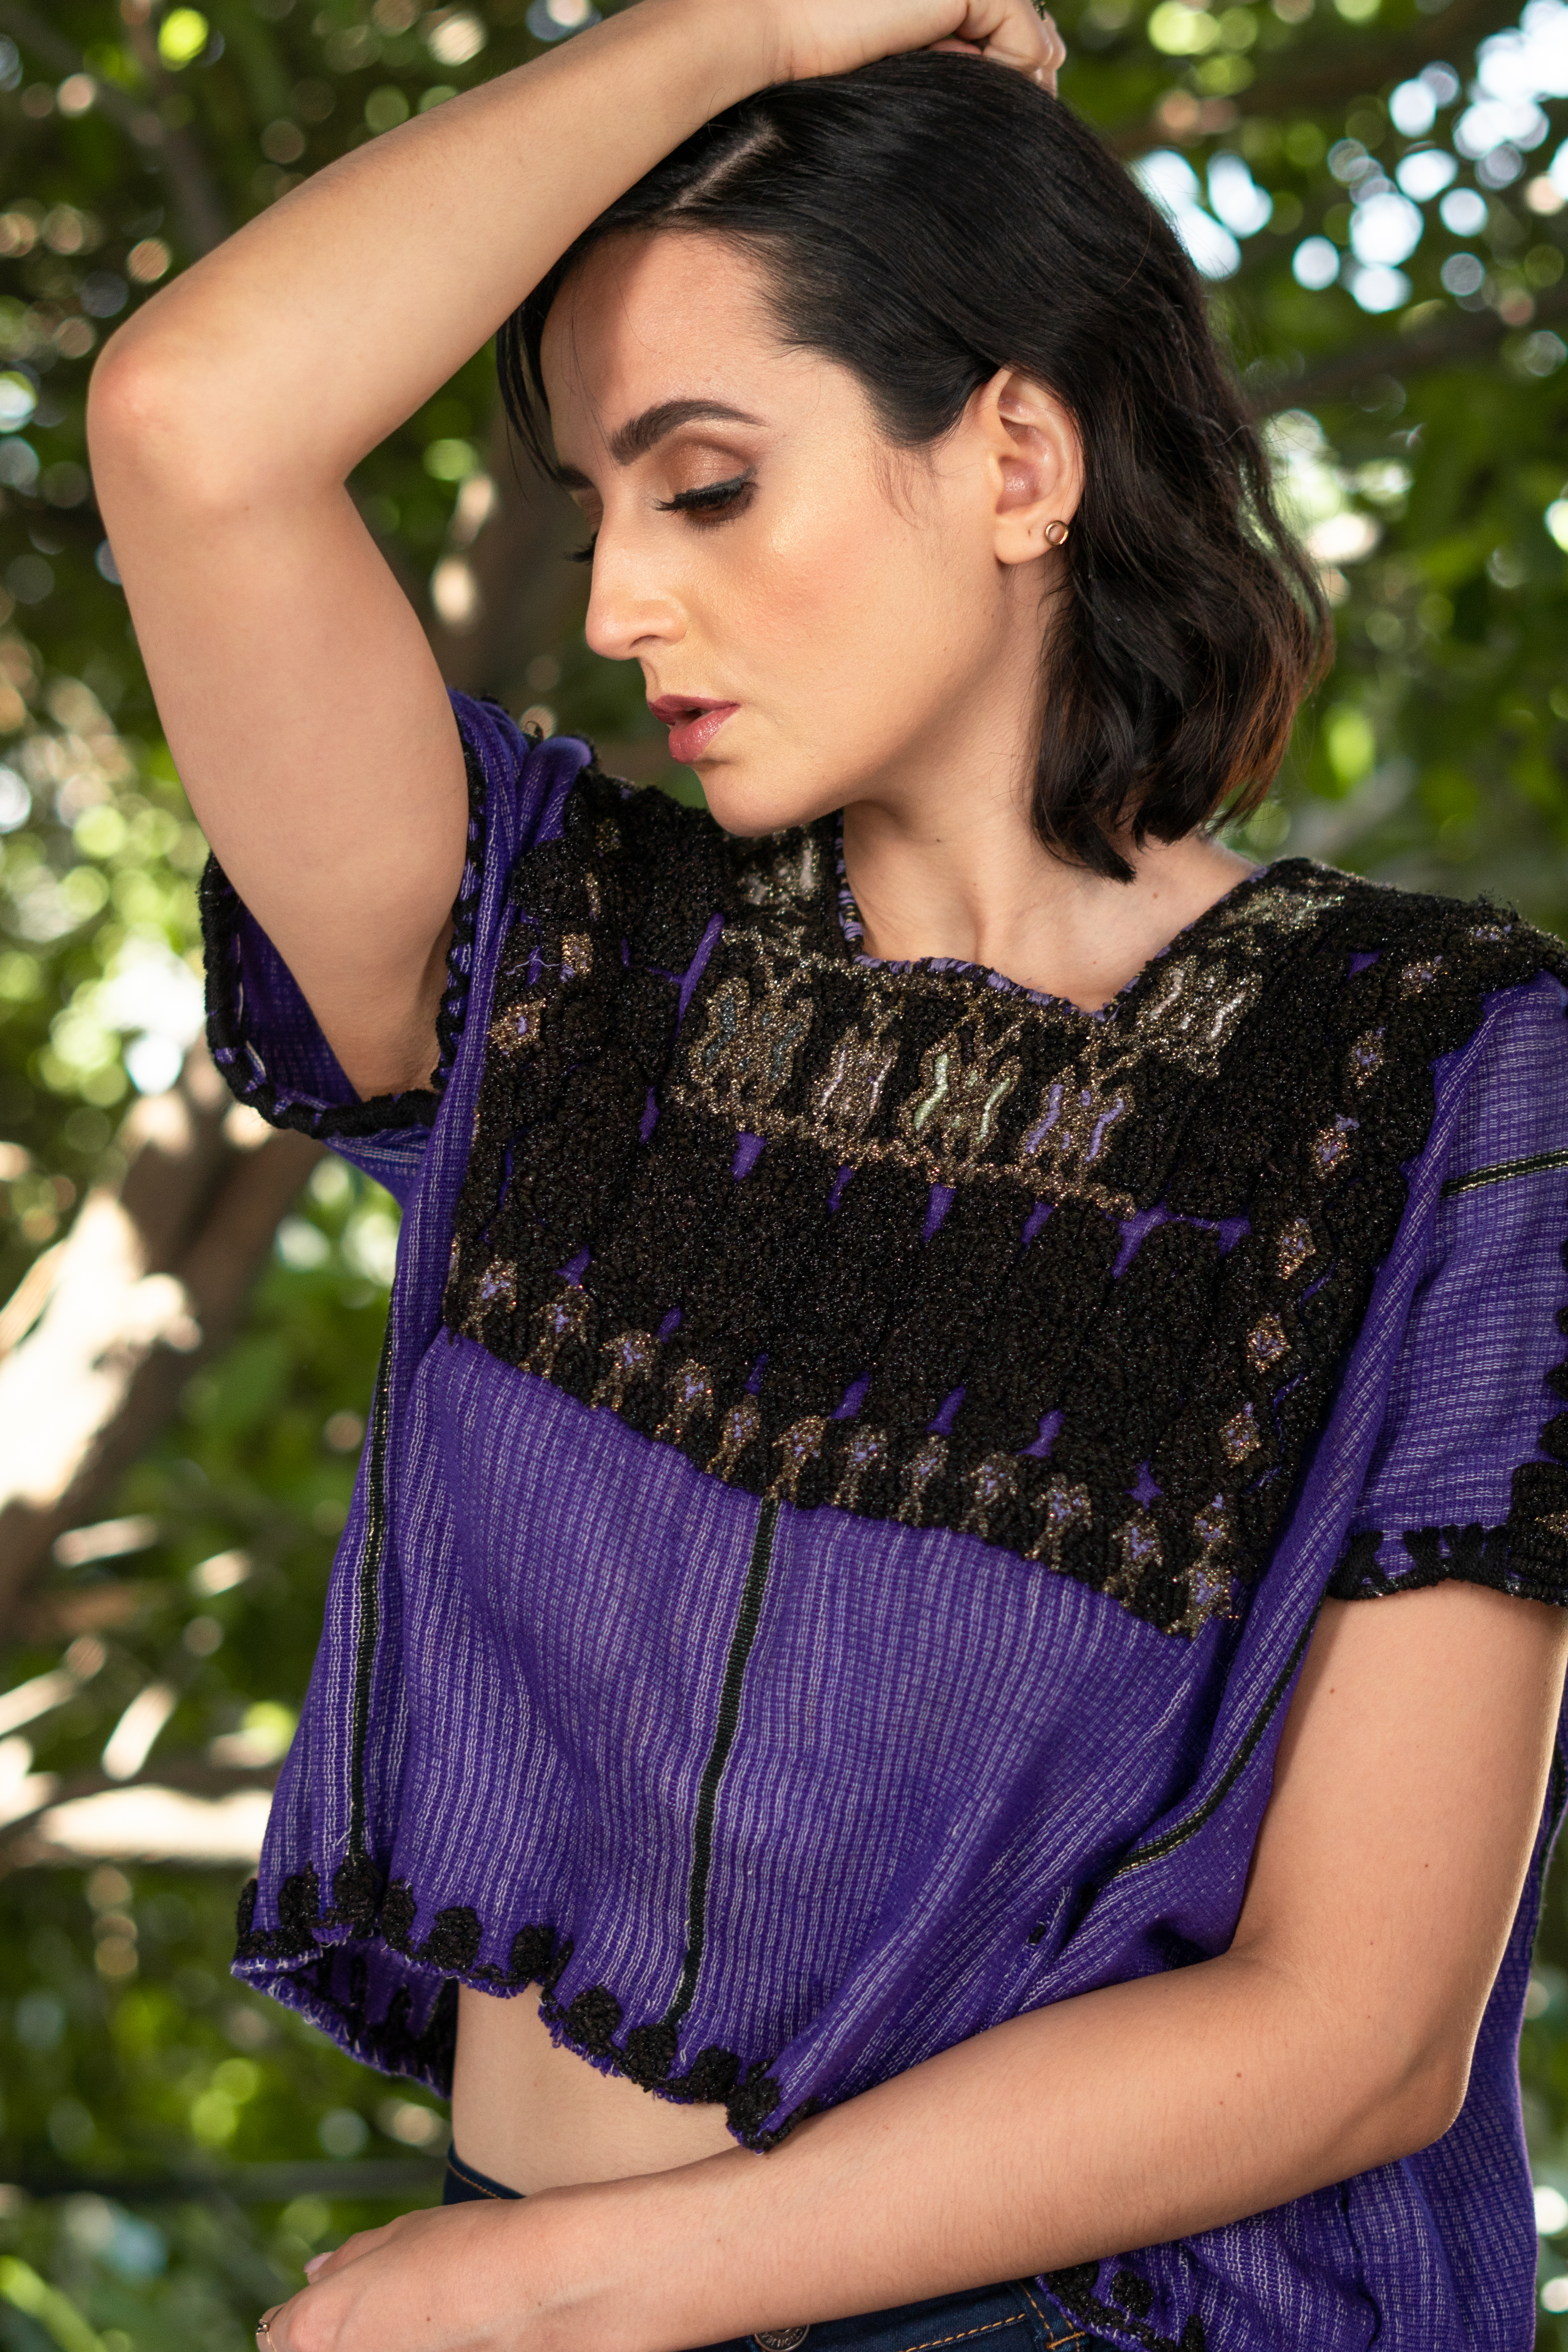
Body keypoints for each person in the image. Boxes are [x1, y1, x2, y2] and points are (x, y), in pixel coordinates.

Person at [87, 0, 1568, 2346]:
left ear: (1016, 458)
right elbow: (190, 426)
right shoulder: (555, 964)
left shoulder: (1441, 1078)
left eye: (704, 485)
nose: (615, 607)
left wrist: (584, 2292)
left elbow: (1356, 2028)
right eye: (598, 509)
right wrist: (754, 27)